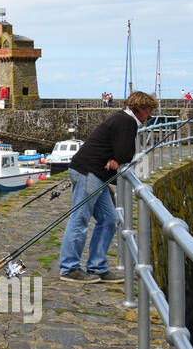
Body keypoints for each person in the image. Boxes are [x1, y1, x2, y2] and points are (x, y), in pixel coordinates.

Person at [58, 90, 157, 283]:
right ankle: (69, 268)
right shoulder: (126, 122)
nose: (150, 115)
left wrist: (116, 160)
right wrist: (118, 160)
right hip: (89, 172)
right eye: (149, 110)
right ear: (140, 109)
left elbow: (120, 154)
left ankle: (97, 267)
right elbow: (125, 154)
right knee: (80, 219)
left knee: (109, 219)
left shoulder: (123, 120)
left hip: (96, 174)